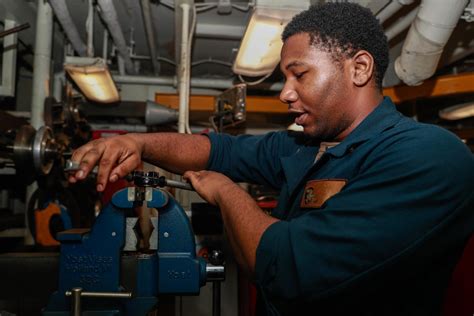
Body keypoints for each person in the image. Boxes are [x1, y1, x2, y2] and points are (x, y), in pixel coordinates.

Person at [69, 3, 474, 315]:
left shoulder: (426, 157)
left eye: (300, 74)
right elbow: (219, 149)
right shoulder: (305, 146)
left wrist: (227, 193)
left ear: (360, 68)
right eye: (285, 79)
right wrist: (137, 145)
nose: (285, 93)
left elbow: (285, 265)